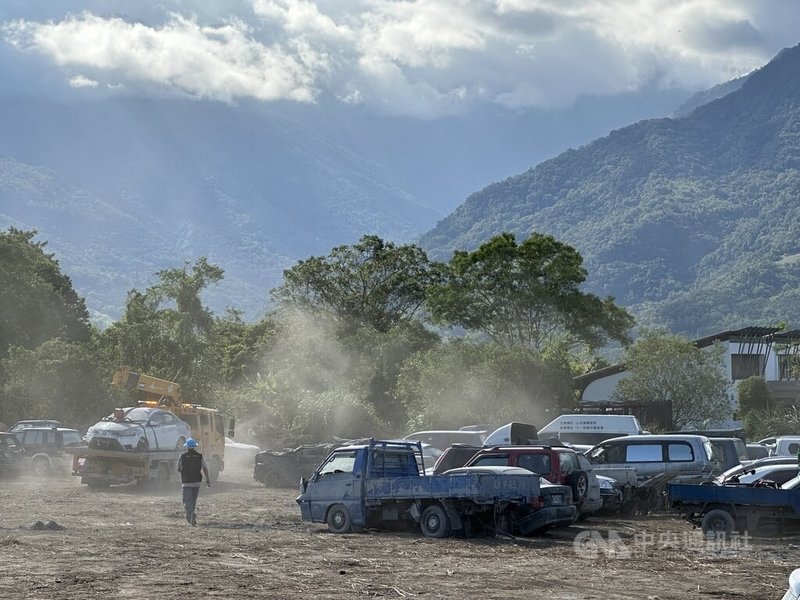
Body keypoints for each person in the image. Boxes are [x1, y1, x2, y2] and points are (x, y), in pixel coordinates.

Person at [177, 438, 211, 526]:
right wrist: (207, 479)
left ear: (187, 447)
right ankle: (191, 516)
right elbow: (205, 468)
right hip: (196, 482)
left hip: (186, 482)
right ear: (194, 446)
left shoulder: (182, 456)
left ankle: (191, 515)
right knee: (193, 500)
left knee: (186, 501)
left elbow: (178, 469)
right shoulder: (199, 456)